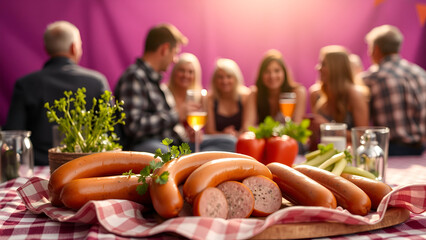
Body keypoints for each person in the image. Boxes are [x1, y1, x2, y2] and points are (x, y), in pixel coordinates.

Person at [3, 21, 110, 166]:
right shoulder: (97, 82)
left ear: (46, 48)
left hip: (36, 167)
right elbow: (111, 136)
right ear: (74, 48)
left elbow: (12, 138)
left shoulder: (26, 84)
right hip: (87, 168)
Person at [362, 25, 426, 155]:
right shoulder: (419, 72)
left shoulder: (372, 78)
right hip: (420, 149)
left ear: (376, 49)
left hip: (389, 150)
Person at [162, 53, 236, 152]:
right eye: (182, 70)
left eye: (190, 72)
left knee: (231, 142)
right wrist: (178, 114)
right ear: (174, 72)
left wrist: (195, 134)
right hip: (171, 142)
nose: (186, 75)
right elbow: (161, 124)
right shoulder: (164, 92)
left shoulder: (199, 97)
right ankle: (196, 158)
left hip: (189, 143)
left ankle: (197, 157)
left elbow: (199, 131)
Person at [309, 45, 369, 147]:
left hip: (349, 156)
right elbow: (314, 140)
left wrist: (329, 127)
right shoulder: (315, 94)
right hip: (325, 154)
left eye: (323, 64)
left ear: (336, 68)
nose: (318, 68)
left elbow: (363, 138)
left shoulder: (355, 95)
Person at [251, 49, 306, 124]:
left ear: (284, 72)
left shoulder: (298, 92)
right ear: (261, 75)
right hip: (263, 136)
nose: (272, 76)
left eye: (277, 71)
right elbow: (247, 126)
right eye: (267, 71)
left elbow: (297, 125)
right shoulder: (254, 94)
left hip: (289, 135)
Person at [205, 58, 256, 137]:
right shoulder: (209, 99)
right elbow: (209, 131)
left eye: (229, 77)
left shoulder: (246, 96)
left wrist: (236, 135)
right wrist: (225, 135)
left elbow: (247, 128)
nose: (225, 81)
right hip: (218, 143)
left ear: (236, 78)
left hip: (241, 141)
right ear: (214, 80)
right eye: (220, 77)